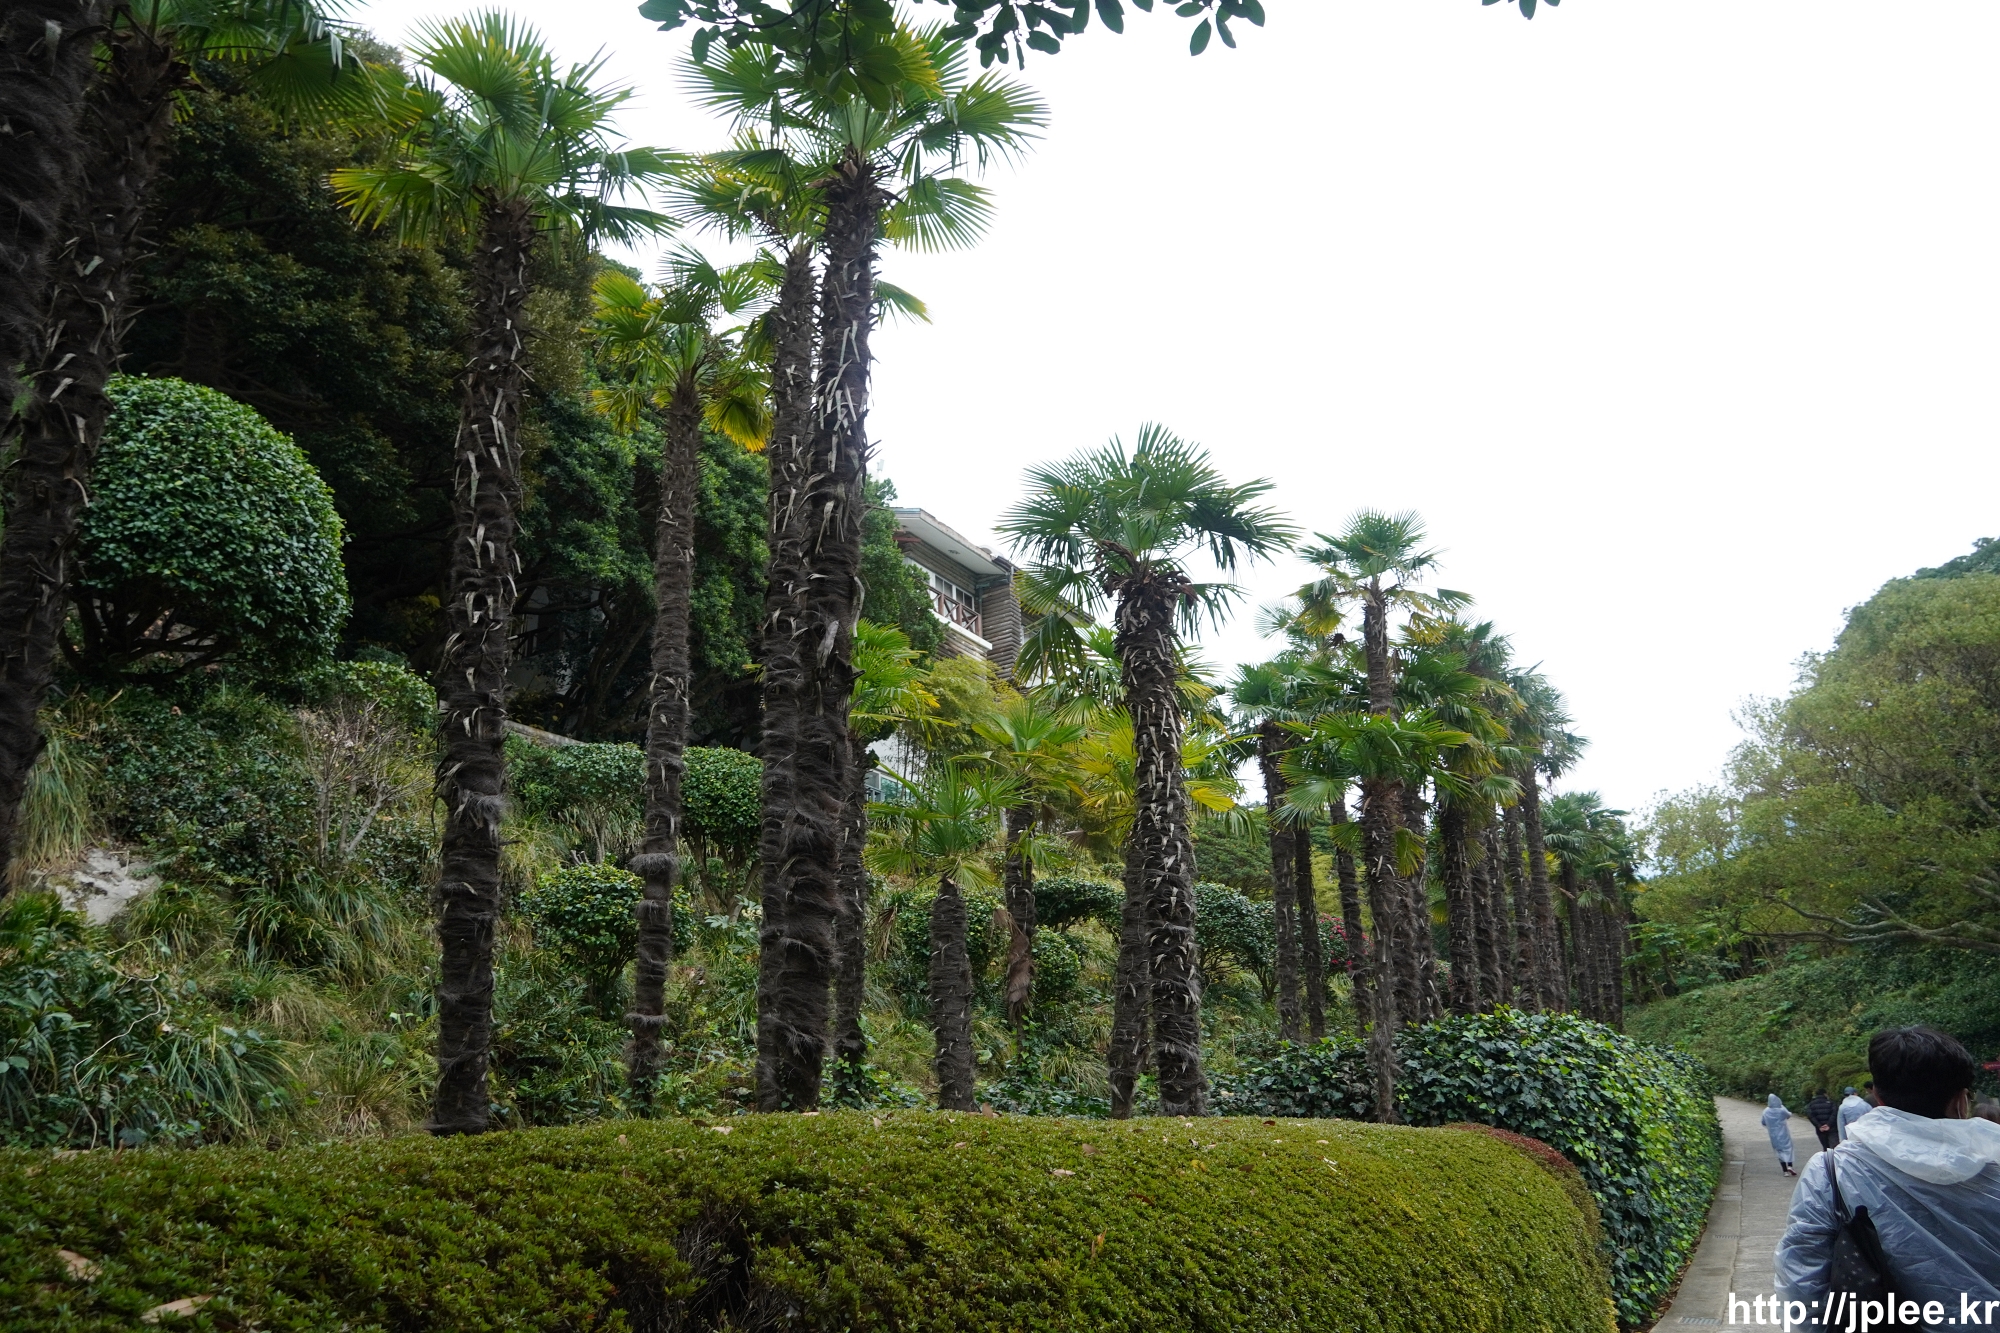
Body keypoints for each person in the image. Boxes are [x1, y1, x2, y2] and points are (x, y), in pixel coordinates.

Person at [1775, 1027, 2000, 1329]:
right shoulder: (1994, 1163)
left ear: (1877, 1096)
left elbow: (1802, 1280)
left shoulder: (1832, 1172)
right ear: (1960, 1100)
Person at [1763, 1093, 1799, 1176]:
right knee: (1788, 1148)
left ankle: (1785, 1171)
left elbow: (1763, 1122)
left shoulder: (1766, 1111)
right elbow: (1788, 1115)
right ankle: (1790, 1165)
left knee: (1779, 1151)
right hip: (1784, 1133)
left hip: (1773, 1134)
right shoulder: (1781, 1109)